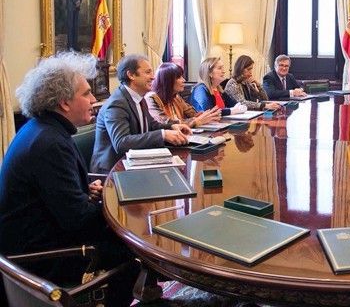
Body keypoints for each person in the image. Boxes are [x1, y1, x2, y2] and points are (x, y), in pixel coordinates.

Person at [0, 52, 137, 306]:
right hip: (41, 258)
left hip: (33, 239)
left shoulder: (41, 130)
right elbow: (78, 221)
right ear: (64, 102)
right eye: (86, 93)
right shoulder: (50, 144)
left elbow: (50, 193)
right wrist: (121, 204)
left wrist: (84, 190)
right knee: (132, 252)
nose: (94, 99)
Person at [91, 54, 191, 174]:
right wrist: (163, 135)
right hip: (113, 172)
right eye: (148, 72)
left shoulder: (139, 98)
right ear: (131, 75)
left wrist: (172, 127)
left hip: (135, 163)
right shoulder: (117, 103)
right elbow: (121, 143)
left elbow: (152, 125)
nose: (153, 77)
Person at [146, 62, 221, 128]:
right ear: (167, 81)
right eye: (179, 77)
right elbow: (166, 124)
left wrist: (208, 115)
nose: (184, 80)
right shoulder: (151, 98)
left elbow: (193, 114)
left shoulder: (176, 97)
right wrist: (196, 121)